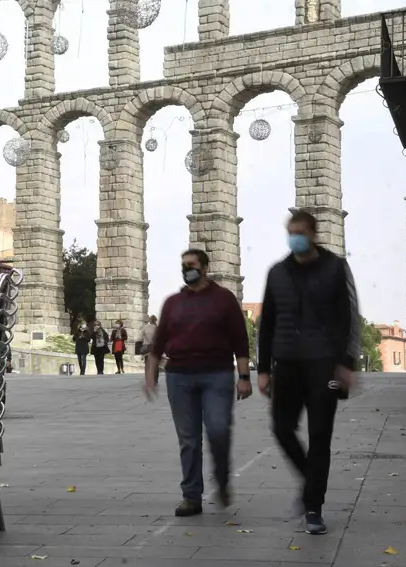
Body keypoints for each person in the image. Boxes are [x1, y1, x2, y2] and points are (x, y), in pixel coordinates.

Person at [256, 210, 360, 536]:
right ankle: (309, 480)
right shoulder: (276, 273)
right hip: (286, 363)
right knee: (281, 428)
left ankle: (314, 507)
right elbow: (267, 322)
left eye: (300, 231)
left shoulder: (336, 267)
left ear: (314, 234)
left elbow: (350, 317)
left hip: (324, 365)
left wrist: (346, 363)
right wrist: (262, 368)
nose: (295, 237)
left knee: (319, 437)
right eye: (291, 232)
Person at [144, 249, 251, 517]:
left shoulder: (224, 299)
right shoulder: (172, 303)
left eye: (190, 265)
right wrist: (150, 375)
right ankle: (191, 496)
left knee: (217, 430)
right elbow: (158, 343)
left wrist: (244, 377)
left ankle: (222, 478)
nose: (186, 269)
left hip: (217, 375)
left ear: (204, 268)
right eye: (183, 265)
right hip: (179, 376)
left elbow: (240, 340)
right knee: (188, 440)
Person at [140, 315, 158, 382]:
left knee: (147, 363)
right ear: (155, 320)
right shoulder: (157, 328)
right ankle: (155, 379)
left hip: (146, 347)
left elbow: (141, 337)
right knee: (155, 364)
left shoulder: (145, 327)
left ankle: (147, 378)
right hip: (155, 347)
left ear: (150, 320)